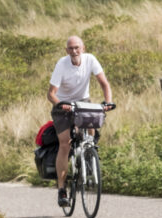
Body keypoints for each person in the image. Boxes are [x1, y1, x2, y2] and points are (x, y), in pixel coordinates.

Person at [47, 35, 114, 206]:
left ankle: (89, 155)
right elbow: (51, 94)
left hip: (83, 101)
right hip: (62, 105)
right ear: (66, 50)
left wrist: (107, 102)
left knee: (91, 133)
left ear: (83, 48)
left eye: (77, 48)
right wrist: (61, 105)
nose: (74, 51)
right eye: (70, 48)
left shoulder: (90, 59)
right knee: (65, 143)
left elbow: (104, 83)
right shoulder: (62, 65)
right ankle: (62, 189)